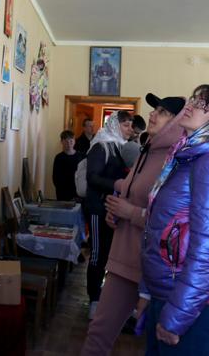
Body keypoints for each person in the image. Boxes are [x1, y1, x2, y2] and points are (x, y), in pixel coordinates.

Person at [141, 85, 209, 354]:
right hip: (172, 291)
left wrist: (176, 317)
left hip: (194, 304)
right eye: (194, 99)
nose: (191, 105)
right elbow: (159, 227)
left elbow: (208, 250)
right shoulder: (187, 157)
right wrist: (147, 289)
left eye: (205, 105)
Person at [80, 94, 185, 355]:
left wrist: (131, 213)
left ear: (178, 121)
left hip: (156, 267)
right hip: (123, 259)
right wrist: (116, 213)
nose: (152, 114)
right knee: (98, 334)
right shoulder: (145, 151)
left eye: (162, 112)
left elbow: (179, 223)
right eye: (155, 109)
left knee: (157, 346)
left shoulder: (178, 158)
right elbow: (129, 191)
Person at [85, 110, 133, 319]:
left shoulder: (122, 147)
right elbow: (92, 177)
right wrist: (117, 184)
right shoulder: (101, 146)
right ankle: (94, 300)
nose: (130, 129)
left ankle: (105, 297)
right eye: (126, 125)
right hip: (98, 208)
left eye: (131, 125)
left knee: (110, 254)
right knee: (98, 254)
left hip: (114, 209)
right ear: (114, 125)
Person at [53, 130, 83, 201]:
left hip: (78, 194)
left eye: (71, 141)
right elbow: (56, 178)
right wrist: (66, 194)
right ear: (62, 142)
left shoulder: (81, 157)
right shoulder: (59, 158)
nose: (69, 144)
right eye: (66, 141)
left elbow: (83, 176)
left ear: (74, 141)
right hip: (63, 195)